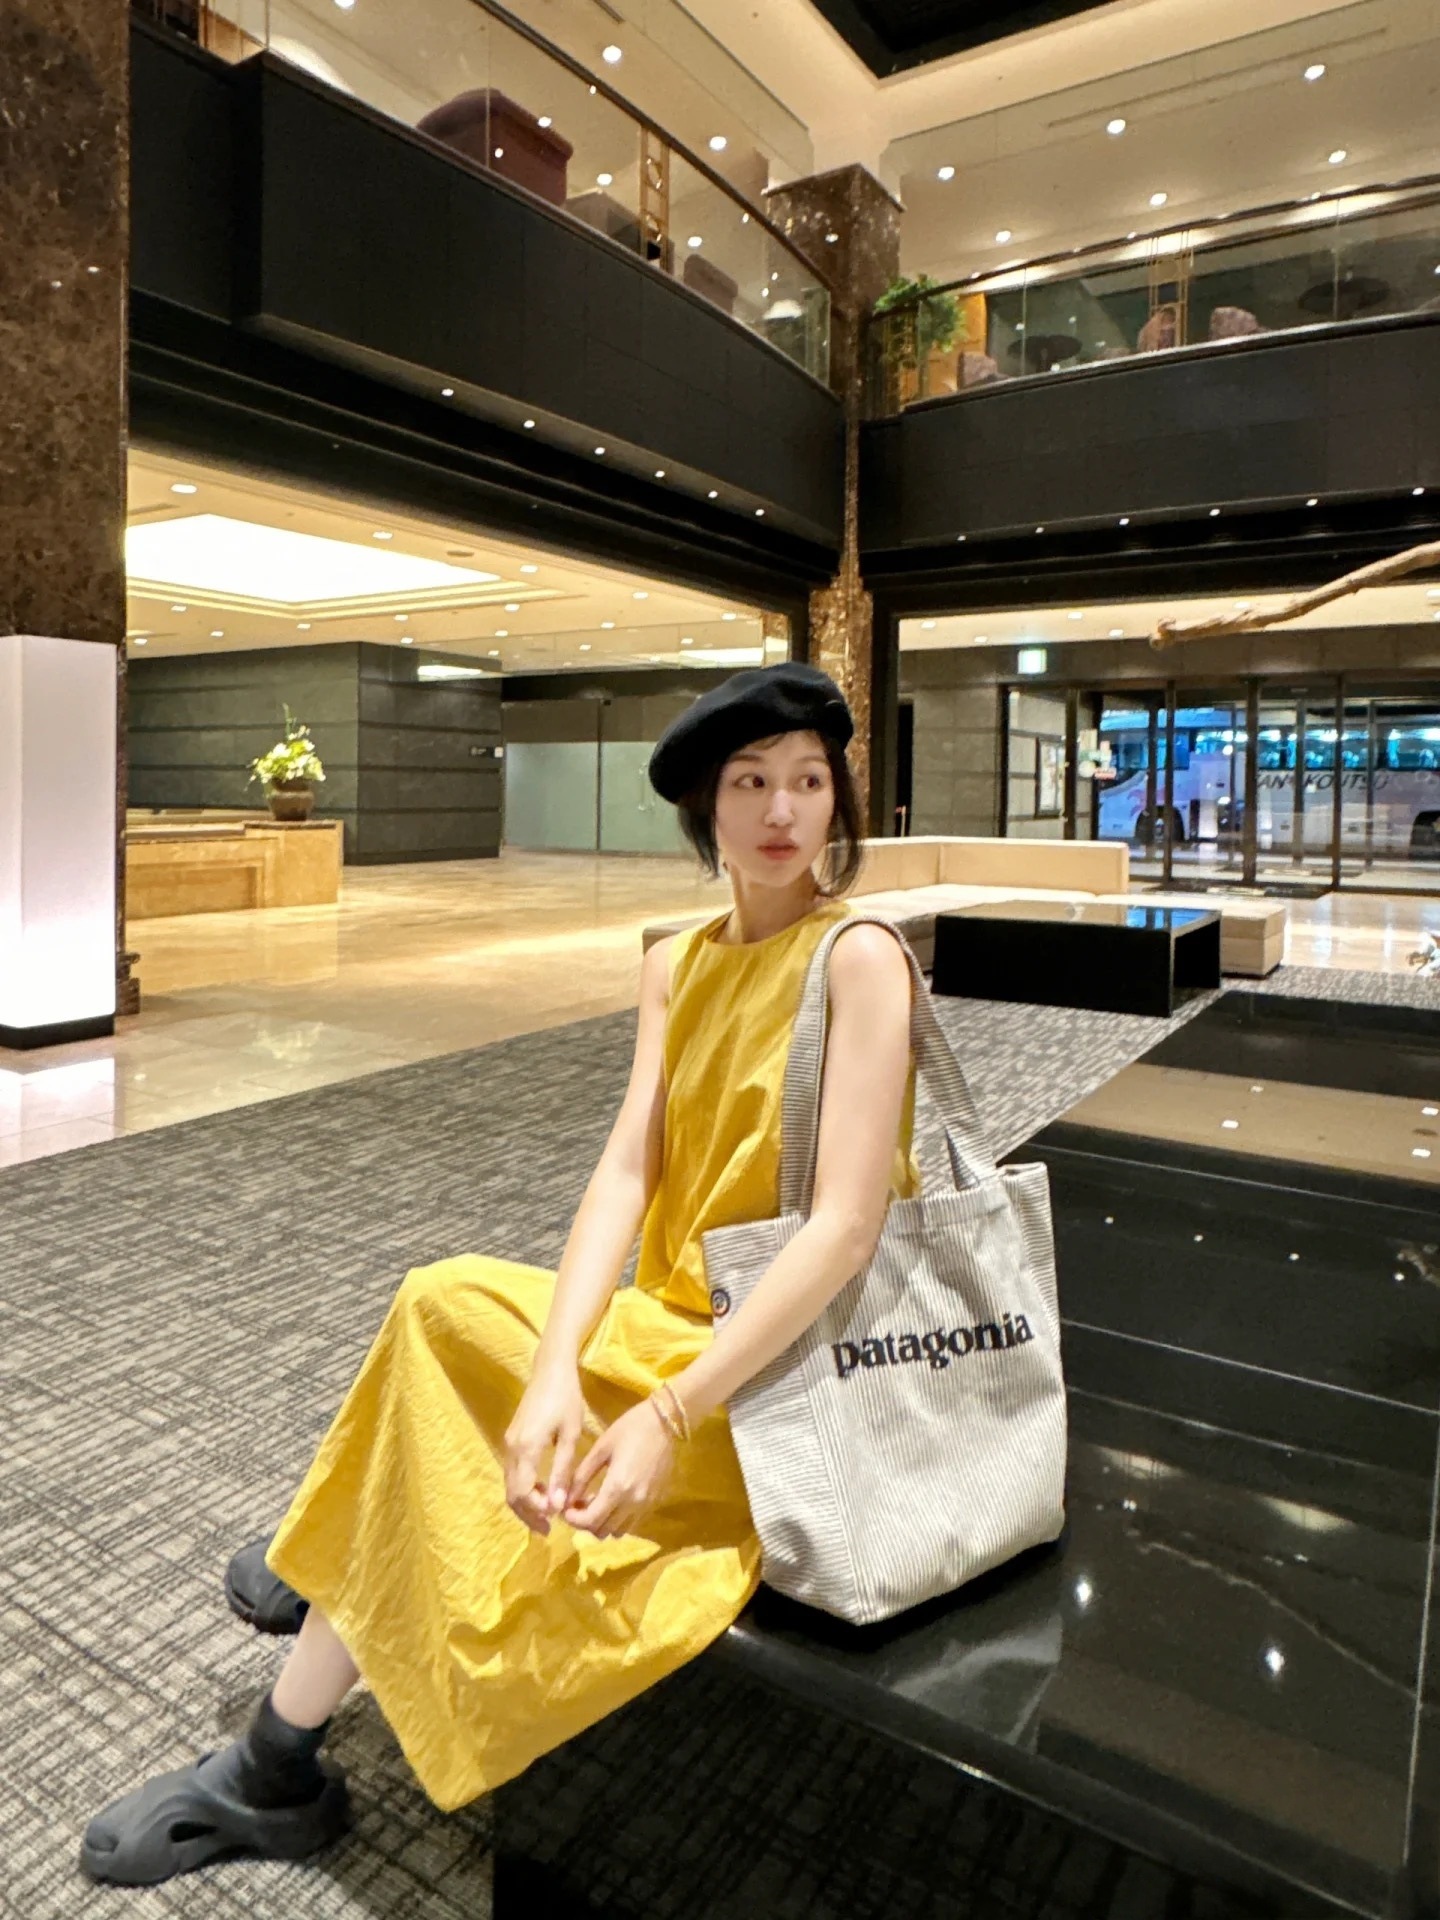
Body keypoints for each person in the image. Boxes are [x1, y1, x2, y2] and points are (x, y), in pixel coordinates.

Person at [80, 662, 919, 1887]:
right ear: (706, 806)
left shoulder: (859, 959)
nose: (784, 810)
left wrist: (669, 1415)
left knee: (440, 1344)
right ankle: (337, 1563)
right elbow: (625, 1171)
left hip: (769, 1375)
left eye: (808, 780)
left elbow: (844, 1231)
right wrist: (559, 1367)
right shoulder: (678, 963)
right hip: (663, 1322)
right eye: (750, 783)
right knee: (449, 1305)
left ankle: (276, 1757)